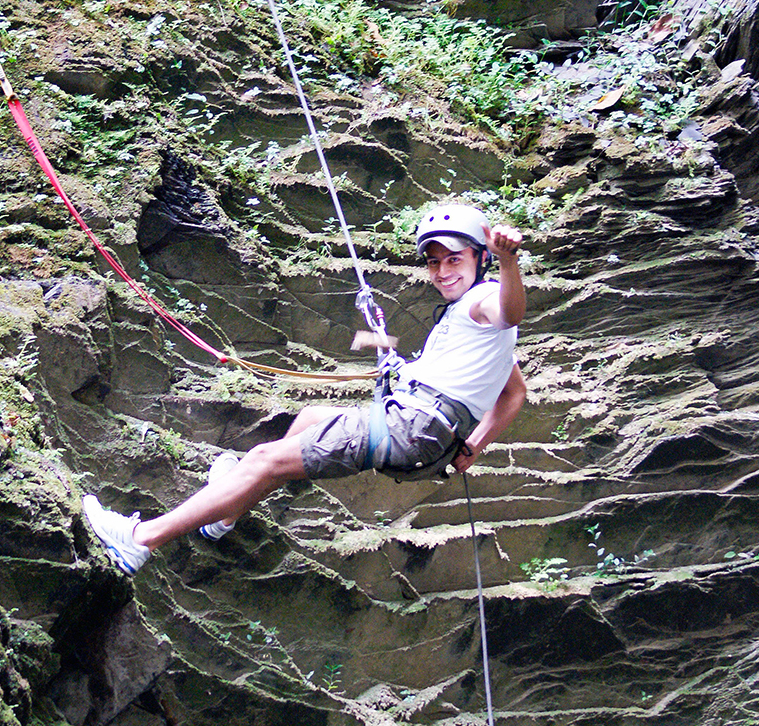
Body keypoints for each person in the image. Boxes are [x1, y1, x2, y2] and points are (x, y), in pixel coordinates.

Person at [83, 203, 527, 575]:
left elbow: (510, 311)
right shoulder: (474, 324)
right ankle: (226, 513)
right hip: (424, 435)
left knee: (264, 459)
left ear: (480, 259)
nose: (443, 271)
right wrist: (473, 445)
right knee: (312, 418)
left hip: (411, 428)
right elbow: (514, 393)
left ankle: (140, 540)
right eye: (434, 262)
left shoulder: (484, 301)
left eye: (454, 260)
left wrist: (509, 262)